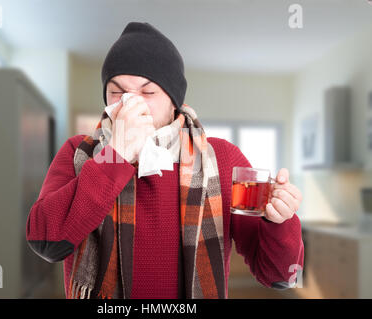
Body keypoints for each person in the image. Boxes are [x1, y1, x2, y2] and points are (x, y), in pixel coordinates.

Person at [26, 22, 304, 299]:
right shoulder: (79, 152)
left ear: (174, 101)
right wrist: (116, 154)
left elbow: (282, 277)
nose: (131, 104)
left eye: (148, 92)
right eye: (117, 92)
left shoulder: (222, 160)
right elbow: (46, 242)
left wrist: (281, 221)